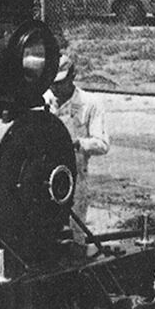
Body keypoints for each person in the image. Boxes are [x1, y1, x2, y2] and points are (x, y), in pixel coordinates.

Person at [45, 53, 109, 228]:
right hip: (43, 173)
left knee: (76, 231)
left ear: (73, 77)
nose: (55, 88)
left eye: (60, 83)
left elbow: (103, 144)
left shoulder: (90, 103)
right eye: (52, 83)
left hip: (76, 174)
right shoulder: (44, 101)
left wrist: (78, 143)